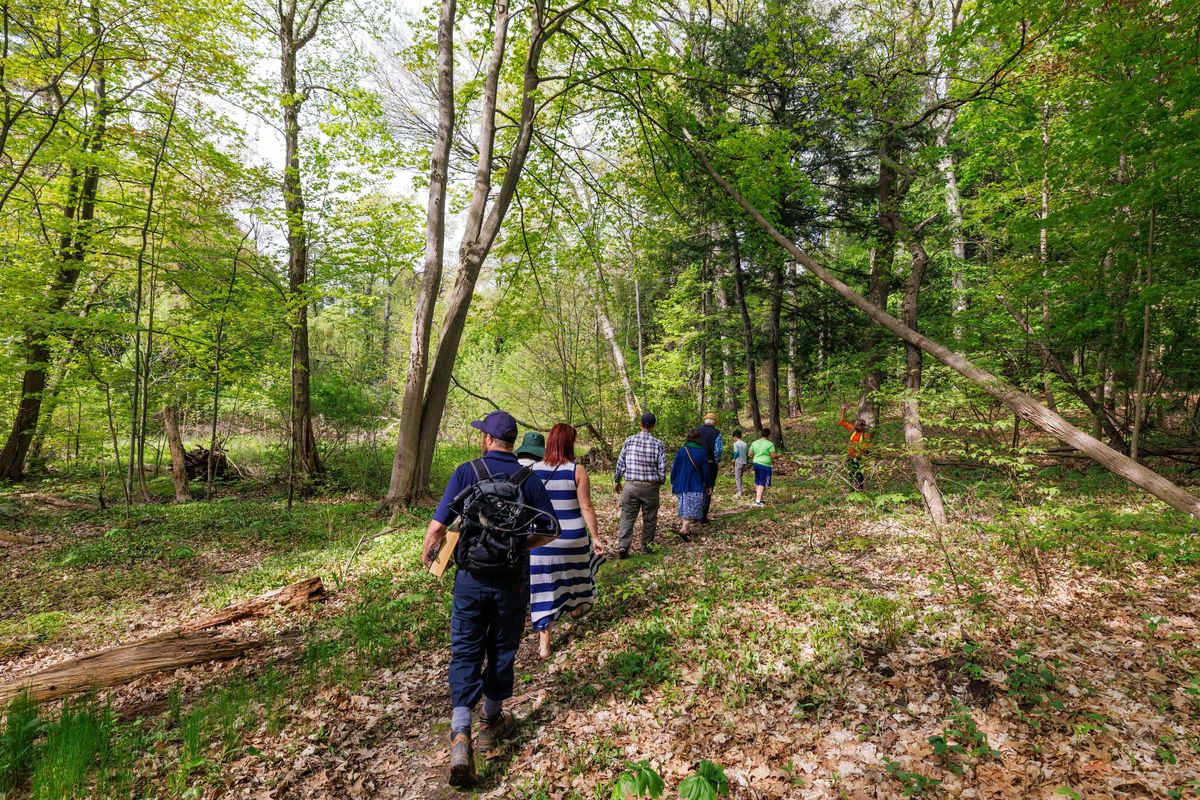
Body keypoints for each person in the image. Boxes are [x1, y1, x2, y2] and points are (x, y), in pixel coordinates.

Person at [421, 410, 560, 788]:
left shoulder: (467, 472)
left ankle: (461, 733)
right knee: (502, 649)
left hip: (469, 578)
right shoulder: (526, 478)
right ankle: (491, 722)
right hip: (510, 582)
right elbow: (551, 527)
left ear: (487, 440)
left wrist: (429, 551)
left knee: (465, 649)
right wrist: (523, 543)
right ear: (512, 442)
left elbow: (438, 526)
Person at [530, 423, 605, 660]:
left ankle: (544, 645)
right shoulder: (577, 470)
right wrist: (595, 537)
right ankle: (577, 606)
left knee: (544, 589)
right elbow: (586, 507)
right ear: (569, 443)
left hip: (541, 541)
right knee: (582, 573)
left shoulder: (532, 470)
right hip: (572, 538)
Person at [613, 412, 667, 559]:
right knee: (650, 518)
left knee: (627, 517)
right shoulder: (659, 444)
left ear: (640, 424)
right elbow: (662, 468)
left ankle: (623, 546)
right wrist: (660, 481)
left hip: (631, 486)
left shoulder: (629, 441)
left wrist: (617, 480)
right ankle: (647, 546)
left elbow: (620, 463)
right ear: (654, 425)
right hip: (650, 486)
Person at [670, 428, 709, 540]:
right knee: (692, 509)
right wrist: (708, 484)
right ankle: (684, 529)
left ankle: (685, 532)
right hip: (695, 484)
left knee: (684, 508)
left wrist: (673, 480)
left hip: (681, 484)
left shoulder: (681, 451)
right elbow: (705, 471)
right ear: (698, 439)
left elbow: (675, 467)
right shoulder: (701, 452)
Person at [696, 411, 723, 522]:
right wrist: (716, 462)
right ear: (714, 422)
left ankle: (693, 515)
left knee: (696, 488)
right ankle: (702, 517)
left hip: (696, 463)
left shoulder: (696, 431)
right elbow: (718, 450)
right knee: (708, 488)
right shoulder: (716, 433)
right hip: (710, 463)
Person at [839, 404, 871, 491]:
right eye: (855, 425)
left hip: (858, 458)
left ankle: (860, 491)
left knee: (859, 475)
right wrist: (843, 411)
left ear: (862, 426)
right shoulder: (853, 430)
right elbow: (842, 422)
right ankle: (851, 490)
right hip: (850, 457)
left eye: (858, 425)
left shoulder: (865, 435)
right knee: (850, 474)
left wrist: (859, 455)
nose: (855, 426)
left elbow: (867, 448)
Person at [749, 427, 777, 507]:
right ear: (768, 435)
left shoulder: (754, 443)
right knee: (762, 482)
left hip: (756, 463)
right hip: (765, 464)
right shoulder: (770, 444)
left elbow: (750, 453)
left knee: (757, 481)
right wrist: (777, 456)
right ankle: (758, 502)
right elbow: (773, 455)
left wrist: (757, 455)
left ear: (760, 434)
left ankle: (760, 499)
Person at [731, 429, 748, 497]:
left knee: (737, 477)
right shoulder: (745, 443)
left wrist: (734, 459)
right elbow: (746, 453)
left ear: (735, 437)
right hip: (744, 462)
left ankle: (739, 492)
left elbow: (736, 452)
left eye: (733, 438)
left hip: (738, 462)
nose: (733, 439)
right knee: (740, 477)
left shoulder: (735, 444)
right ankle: (739, 488)